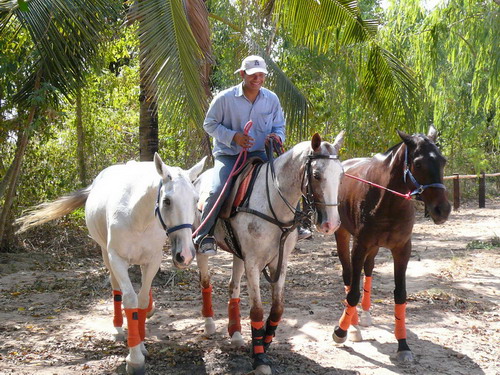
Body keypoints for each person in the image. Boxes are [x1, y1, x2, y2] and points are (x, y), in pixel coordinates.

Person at [195, 55, 310, 255]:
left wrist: (277, 136)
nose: (257, 79)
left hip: (260, 153)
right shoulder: (224, 98)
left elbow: (279, 125)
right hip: (230, 155)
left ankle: (296, 225)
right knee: (218, 189)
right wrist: (234, 137)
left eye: (261, 75)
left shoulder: (271, 99)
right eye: (252, 75)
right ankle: (204, 235)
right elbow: (209, 125)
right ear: (242, 74)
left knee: (289, 177)